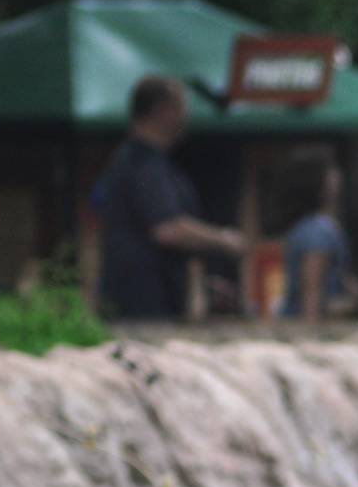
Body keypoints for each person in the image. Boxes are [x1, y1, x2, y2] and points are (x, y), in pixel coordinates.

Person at [95, 76, 246, 318]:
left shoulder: (149, 163)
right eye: (181, 107)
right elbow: (167, 229)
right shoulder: (141, 164)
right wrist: (224, 239)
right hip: (142, 307)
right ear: (162, 110)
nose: (186, 116)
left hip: (155, 301)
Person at [279, 157, 358, 320]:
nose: (337, 176)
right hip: (309, 328)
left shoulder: (323, 227)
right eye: (329, 173)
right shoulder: (317, 231)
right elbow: (312, 294)